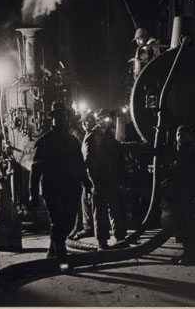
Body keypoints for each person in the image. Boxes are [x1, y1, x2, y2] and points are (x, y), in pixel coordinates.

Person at [29, 102, 89, 262]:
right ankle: (62, 259)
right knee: (58, 223)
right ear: (53, 120)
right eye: (59, 118)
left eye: (64, 118)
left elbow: (80, 165)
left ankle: (52, 253)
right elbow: (36, 169)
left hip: (71, 189)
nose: (63, 120)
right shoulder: (44, 142)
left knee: (68, 224)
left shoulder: (72, 141)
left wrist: (87, 183)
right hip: (52, 190)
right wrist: (33, 192)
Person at [82, 108, 127, 249]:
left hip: (112, 179)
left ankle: (120, 237)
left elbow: (118, 159)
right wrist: (94, 182)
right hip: (100, 181)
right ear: (97, 120)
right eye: (103, 119)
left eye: (107, 119)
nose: (106, 121)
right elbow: (88, 162)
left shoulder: (110, 135)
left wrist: (121, 179)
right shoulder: (92, 136)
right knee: (100, 212)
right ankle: (102, 241)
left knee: (115, 208)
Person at [170, 124, 195, 265]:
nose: (180, 137)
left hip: (189, 194)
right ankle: (188, 252)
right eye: (178, 134)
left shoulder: (192, 150)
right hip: (181, 194)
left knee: (190, 225)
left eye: (183, 134)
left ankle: (193, 255)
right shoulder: (181, 150)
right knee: (182, 225)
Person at [70, 111, 95, 240]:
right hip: (87, 172)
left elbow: (88, 157)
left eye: (87, 121)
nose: (84, 124)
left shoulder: (92, 135)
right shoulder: (87, 135)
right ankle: (85, 226)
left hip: (91, 173)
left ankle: (89, 227)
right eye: (83, 122)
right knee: (85, 200)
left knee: (89, 200)